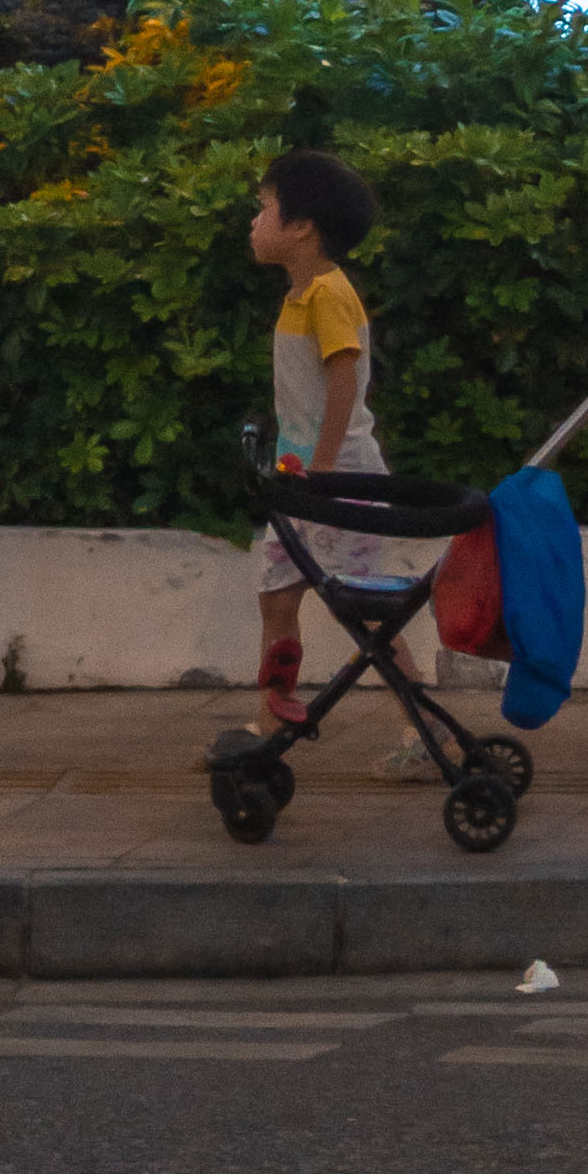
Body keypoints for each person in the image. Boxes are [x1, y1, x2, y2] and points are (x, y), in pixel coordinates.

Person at [241, 144, 380, 739]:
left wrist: (323, 468)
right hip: (302, 475)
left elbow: (343, 376)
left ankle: (434, 739)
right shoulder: (302, 293)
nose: (253, 221)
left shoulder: (327, 292)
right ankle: (271, 726)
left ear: (300, 228)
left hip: (337, 475)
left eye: (264, 208)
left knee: (368, 623)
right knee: (276, 598)